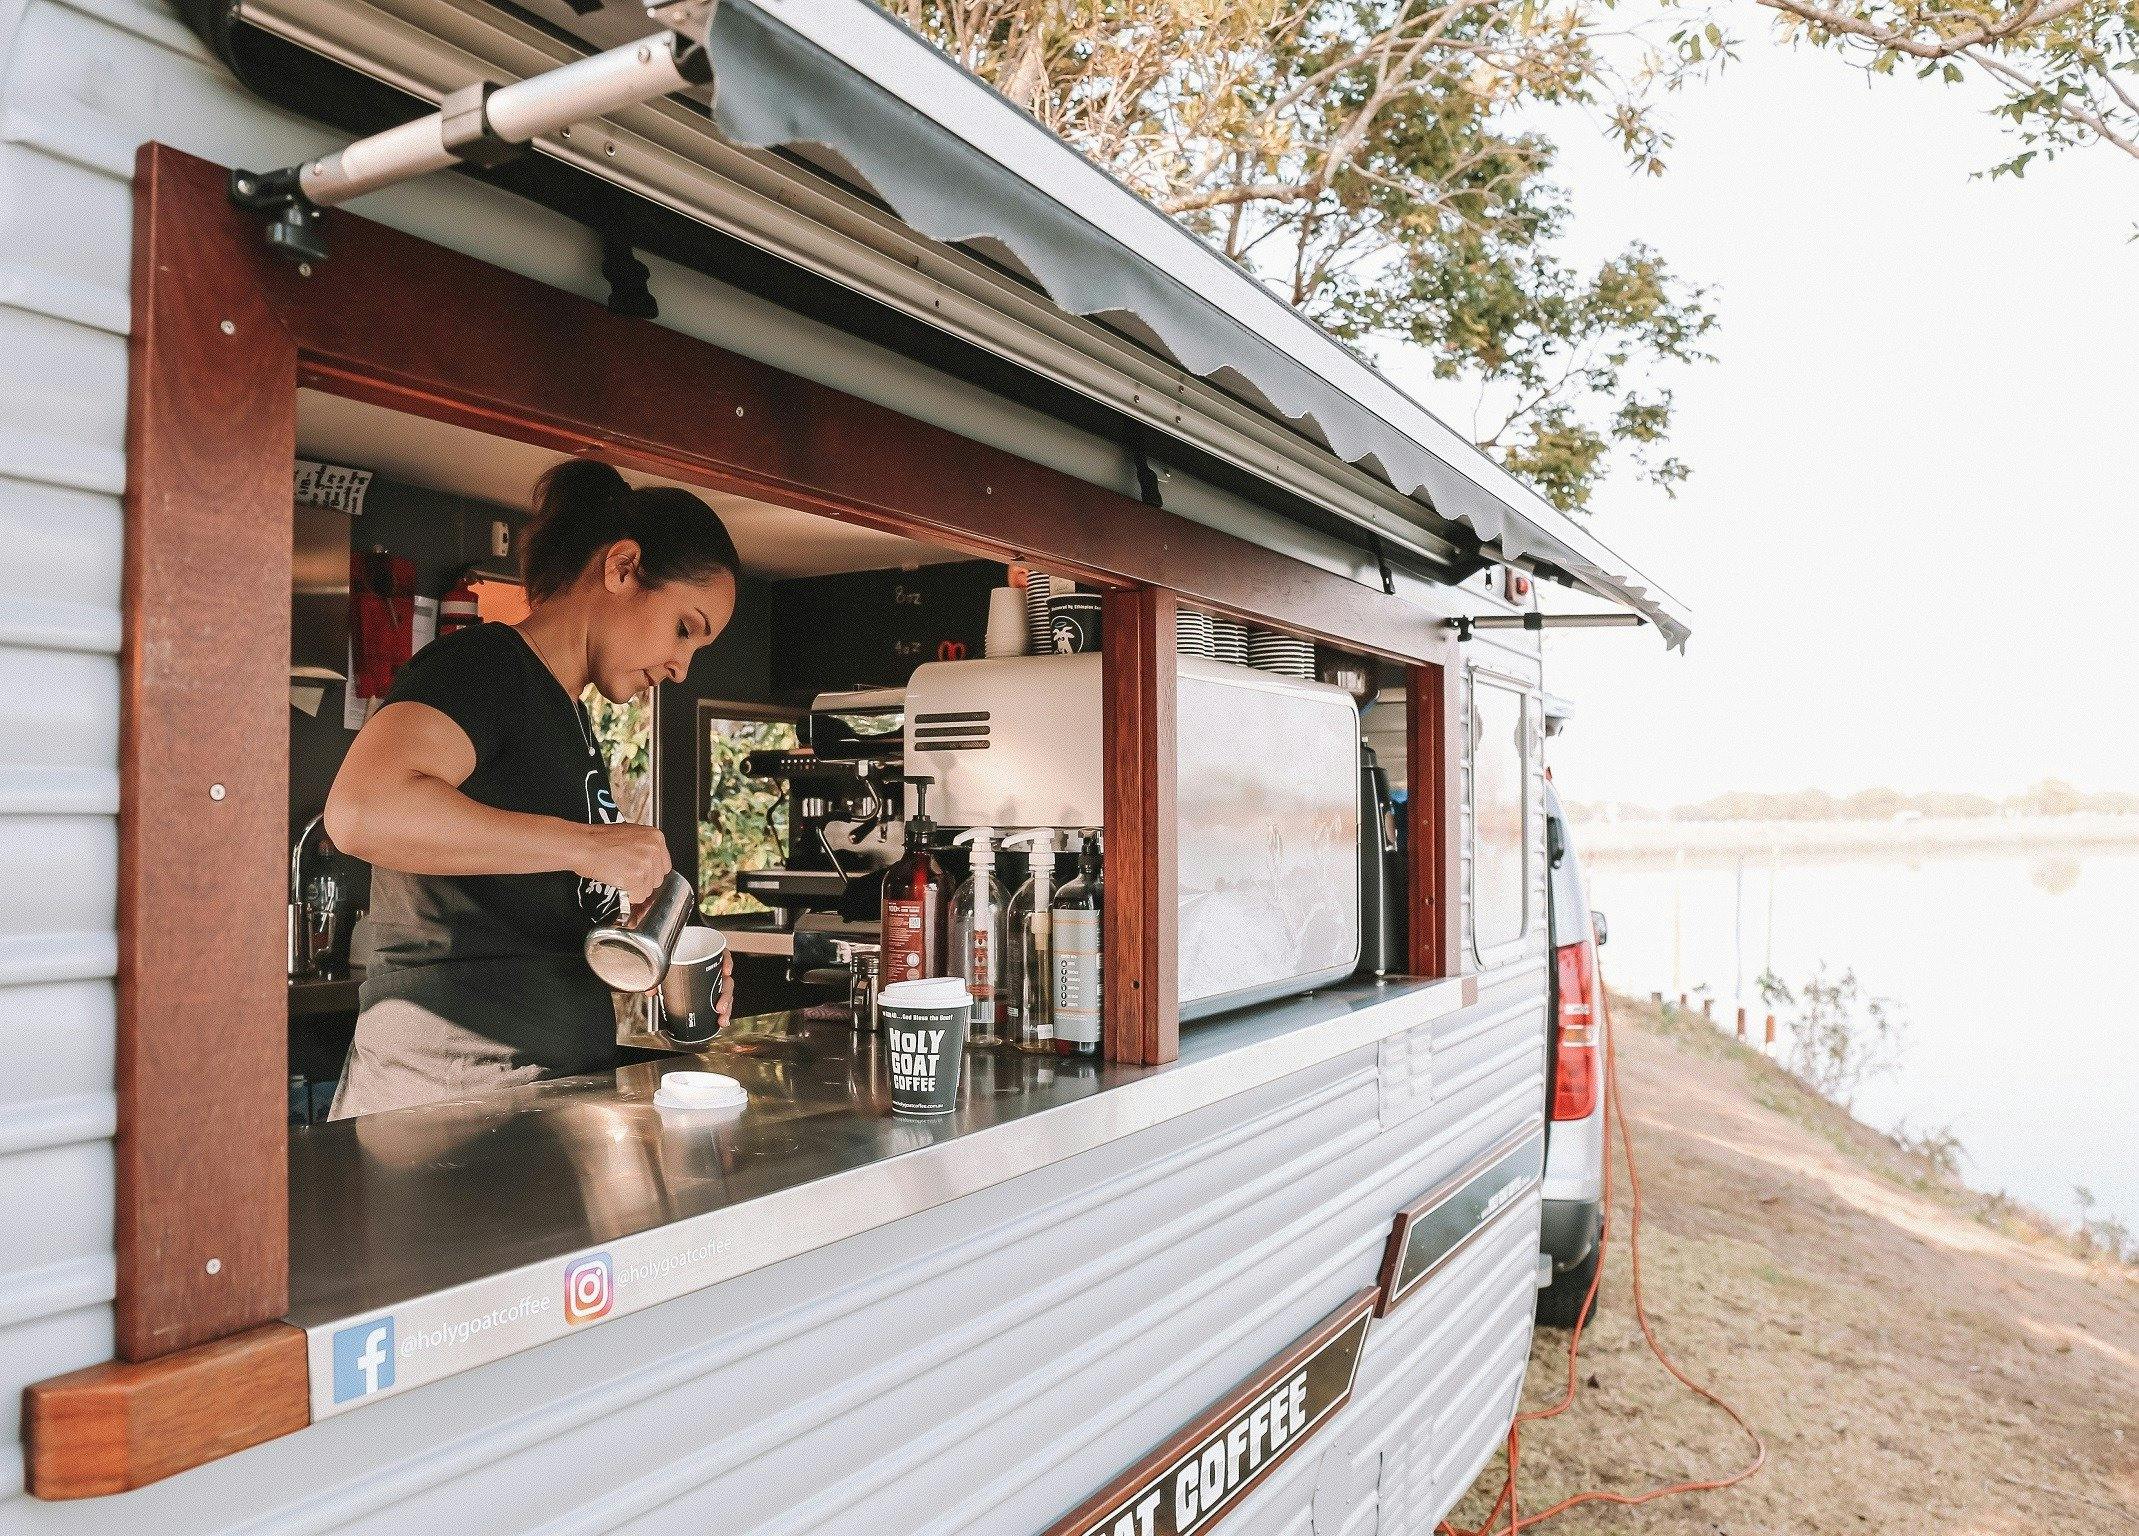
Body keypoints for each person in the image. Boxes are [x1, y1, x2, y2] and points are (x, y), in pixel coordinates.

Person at [323, 460, 738, 1118]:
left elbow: (524, 905)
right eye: (684, 628)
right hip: (445, 1104)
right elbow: (361, 812)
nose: (682, 667)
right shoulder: (486, 665)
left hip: (531, 1101)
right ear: (622, 567)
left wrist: (646, 944)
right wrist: (585, 846)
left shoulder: (569, 718)